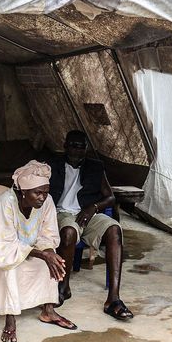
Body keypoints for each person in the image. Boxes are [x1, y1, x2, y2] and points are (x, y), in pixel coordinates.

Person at [0, 160, 77, 342]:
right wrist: (41, 254)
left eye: (45, 193)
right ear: (23, 191)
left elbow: (48, 233)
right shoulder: (7, 201)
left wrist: (48, 252)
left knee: (51, 258)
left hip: (27, 243)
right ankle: (11, 317)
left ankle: (48, 310)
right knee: (11, 264)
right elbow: (5, 245)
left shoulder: (47, 202)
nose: (42, 198)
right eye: (37, 193)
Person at [48, 130, 132, 320]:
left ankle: (113, 298)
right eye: (73, 145)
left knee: (114, 229)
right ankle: (64, 286)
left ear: (86, 148)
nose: (77, 150)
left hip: (88, 212)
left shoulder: (95, 167)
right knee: (69, 232)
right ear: (65, 146)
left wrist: (93, 207)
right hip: (63, 213)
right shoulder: (53, 165)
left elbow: (110, 196)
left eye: (81, 146)